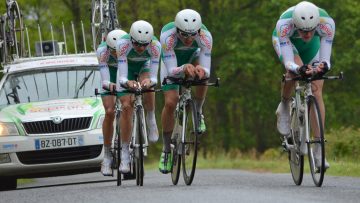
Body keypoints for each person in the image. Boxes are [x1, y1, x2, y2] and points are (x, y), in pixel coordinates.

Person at [272, 1, 335, 169]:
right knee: (293, 73)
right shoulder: (284, 25)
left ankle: (319, 150)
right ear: (295, 25)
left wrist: (323, 66)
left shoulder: (327, 24)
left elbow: (326, 59)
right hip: (286, 43)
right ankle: (284, 105)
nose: (307, 34)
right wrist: (299, 68)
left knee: (316, 90)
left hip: (312, 48)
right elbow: (289, 63)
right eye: (302, 30)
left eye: (310, 30)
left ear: (317, 24)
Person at [159, 9, 213, 173]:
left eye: (192, 35)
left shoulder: (205, 37)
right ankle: (166, 149)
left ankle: (198, 111)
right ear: (177, 30)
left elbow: (207, 68)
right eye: (184, 35)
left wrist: (200, 70)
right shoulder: (167, 36)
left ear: (198, 31)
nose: (189, 39)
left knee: (202, 76)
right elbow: (170, 70)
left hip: (192, 57)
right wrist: (183, 68)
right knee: (170, 102)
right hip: (172, 64)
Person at [116, 20, 161, 173]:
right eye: (137, 44)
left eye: (145, 45)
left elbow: (155, 78)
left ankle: (150, 117)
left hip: (144, 67)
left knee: (147, 85)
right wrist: (128, 83)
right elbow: (122, 78)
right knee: (127, 106)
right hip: (126, 69)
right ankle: (124, 153)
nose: (141, 48)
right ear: (131, 40)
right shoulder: (122, 44)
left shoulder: (155, 46)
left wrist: (149, 82)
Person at [97, 29, 128, 176]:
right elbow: (104, 78)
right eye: (113, 51)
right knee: (109, 111)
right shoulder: (102, 51)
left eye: (118, 51)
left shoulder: (128, 46)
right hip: (110, 76)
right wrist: (110, 86)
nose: (116, 54)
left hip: (126, 73)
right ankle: (107, 155)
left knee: (128, 105)